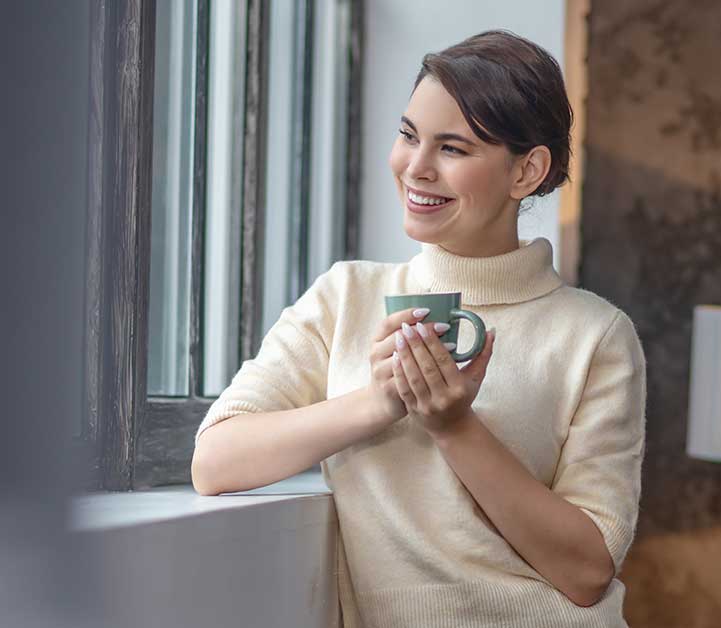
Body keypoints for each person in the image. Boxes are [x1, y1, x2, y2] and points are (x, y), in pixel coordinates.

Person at [190, 29, 646, 628]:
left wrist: (455, 427)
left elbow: (588, 572)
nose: (416, 168)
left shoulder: (597, 335)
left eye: (453, 149)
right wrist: (380, 401)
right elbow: (216, 461)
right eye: (408, 136)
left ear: (527, 171)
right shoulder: (346, 296)